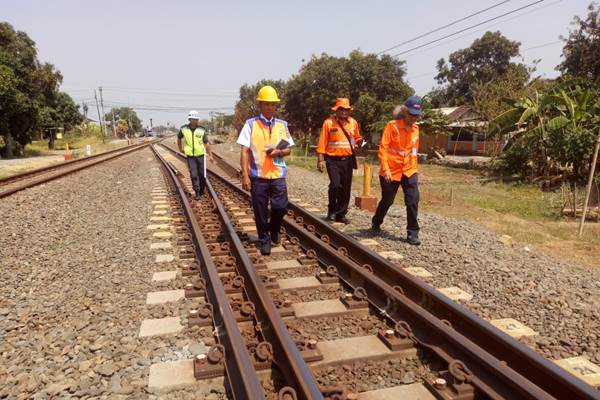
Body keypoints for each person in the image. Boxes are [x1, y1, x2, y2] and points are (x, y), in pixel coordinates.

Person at [237, 86, 294, 256]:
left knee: (281, 207)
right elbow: (244, 151)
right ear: (260, 105)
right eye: (266, 104)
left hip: (277, 174)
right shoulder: (250, 124)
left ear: (276, 106)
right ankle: (264, 240)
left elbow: (289, 150)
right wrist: (245, 176)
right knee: (260, 210)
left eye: (273, 104)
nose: (270, 107)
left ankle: (274, 229)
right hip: (258, 175)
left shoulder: (282, 125)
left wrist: (280, 152)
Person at [371, 96, 423, 246]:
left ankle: (413, 233)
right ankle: (376, 221)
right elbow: (383, 149)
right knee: (388, 200)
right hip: (391, 170)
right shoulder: (392, 126)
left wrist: (416, 171)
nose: (414, 118)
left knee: (413, 200)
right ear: (404, 112)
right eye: (411, 114)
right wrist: (385, 169)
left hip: (409, 170)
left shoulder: (416, 129)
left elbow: (413, 152)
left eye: (416, 115)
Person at [316, 98, 362, 224]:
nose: (343, 112)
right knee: (335, 185)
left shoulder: (353, 123)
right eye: (341, 109)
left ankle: (341, 214)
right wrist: (320, 159)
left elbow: (356, 138)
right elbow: (322, 142)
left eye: (346, 109)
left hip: (347, 160)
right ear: (336, 110)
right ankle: (331, 210)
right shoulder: (328, 123)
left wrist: (358, 143)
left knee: (346, 188)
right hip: (332, 160)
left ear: (349, 111)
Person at [177, 110, 214, 199]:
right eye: (193, 119)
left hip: (201, 155)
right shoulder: (184, 129)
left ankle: (202, 190)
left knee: (202, 175)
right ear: (189, 119)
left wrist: (210, 155)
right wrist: (180, 149)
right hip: (190, 156)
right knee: (193, 174)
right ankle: (197, 192)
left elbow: (206, 143)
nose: (195, 121)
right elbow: (178, 138)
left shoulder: (201, 130)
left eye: (196, 119)